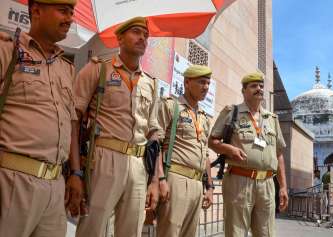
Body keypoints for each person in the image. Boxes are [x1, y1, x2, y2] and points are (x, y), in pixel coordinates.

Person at [0, 0, 82, 236]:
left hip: (56, 185)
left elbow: (72, 124)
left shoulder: (67, 68)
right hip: (12, 182)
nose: (70, 19)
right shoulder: (8, 51)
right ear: (36, 10)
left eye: (72, 12)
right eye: (63, 11)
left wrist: (75, 173)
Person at [73, 17, 159, 237]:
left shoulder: (151, 83)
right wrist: (75, 171)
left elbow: (153, 134)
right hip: (103, 159)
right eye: (136, 32)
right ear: (119, 38)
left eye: (145, 35)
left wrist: (155, 180)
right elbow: (73, 120)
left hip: (139, 166)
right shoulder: (98, 70)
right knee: (93, 227)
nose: (142, 38)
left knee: (131, 231)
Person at [208, 72, 288, 237]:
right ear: (244, 91)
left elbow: (279, 154)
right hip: (239, 181)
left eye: (261, 86)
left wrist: (283, 187)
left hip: (267, 183)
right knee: (236, 232)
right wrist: (230, 149)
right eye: (253, 86)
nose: (259, 89)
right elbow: (212, 141)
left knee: (266, 233)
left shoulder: (272, 118)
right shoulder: (232, 112)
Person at [156, 65, 214, 237]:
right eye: (202, 82)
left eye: (208, 83)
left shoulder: (204, 116)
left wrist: (209, 187)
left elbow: (205, 155)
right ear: (187, 82)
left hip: (197, 184)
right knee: (169, 233)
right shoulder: (171, 106)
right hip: (176, 179)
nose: (206, 87)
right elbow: (155, 144)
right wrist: (160, 179)